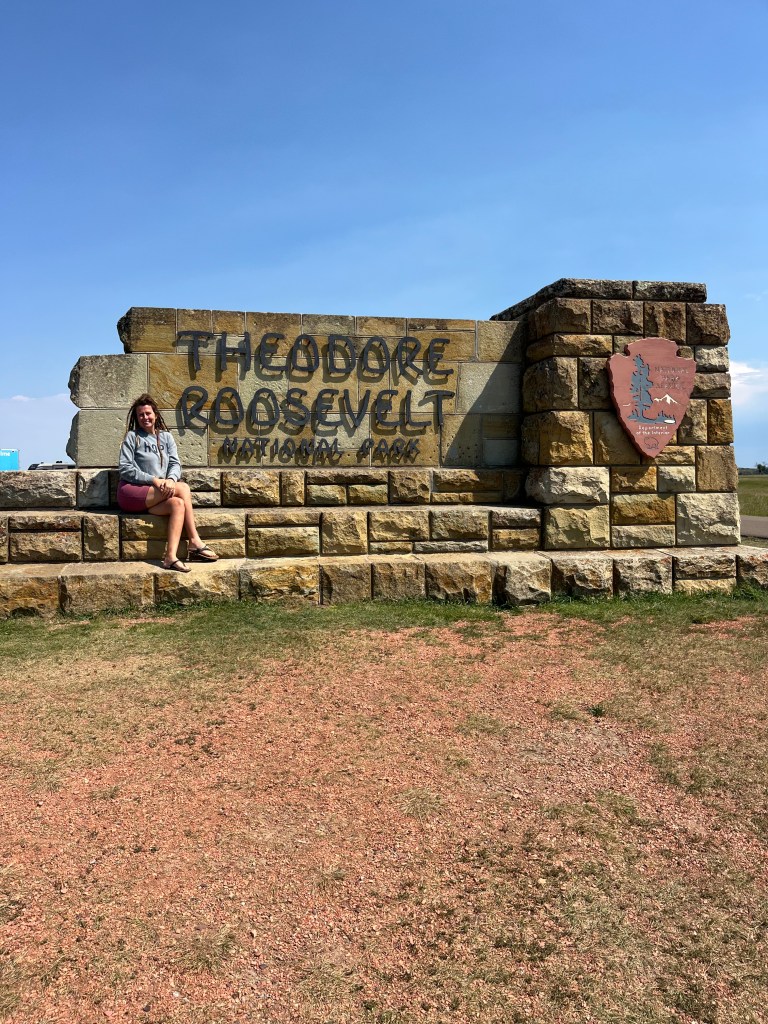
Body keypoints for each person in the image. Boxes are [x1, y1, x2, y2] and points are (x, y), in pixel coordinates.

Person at [117, 394, 218, 572]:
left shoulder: (166, 437)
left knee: (178, 504)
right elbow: (125, 469)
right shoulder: (132, 437)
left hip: (156, 496)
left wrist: (171, 479)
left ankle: (170, 557)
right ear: (136, 417)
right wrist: (155, 480)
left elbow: (175, 463)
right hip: (132, 492)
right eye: (140, 415)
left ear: (155, 414)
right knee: (184, 487)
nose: (145, 417)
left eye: (148, 413)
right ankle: (194, 541)